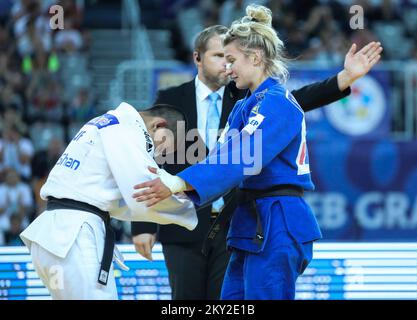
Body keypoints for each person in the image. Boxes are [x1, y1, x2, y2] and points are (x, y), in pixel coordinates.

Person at [132, 4, 383, 300]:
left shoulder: (276, 101)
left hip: (276, 221)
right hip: (249, 224)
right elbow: (218, 161)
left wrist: (177, 182)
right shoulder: (245, 106)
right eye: (223, 59)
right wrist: (173, 189)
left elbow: (241, 158)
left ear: (254, 57)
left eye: (231, 59)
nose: (227, 68)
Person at [20, 102, 197, 300]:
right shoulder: (127, 129)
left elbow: (121, 200)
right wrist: (190, 203)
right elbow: (142, 190)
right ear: (158, 125)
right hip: (73, 236)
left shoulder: (105, 123)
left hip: (57, 234)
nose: (157, 153)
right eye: (162, 146)